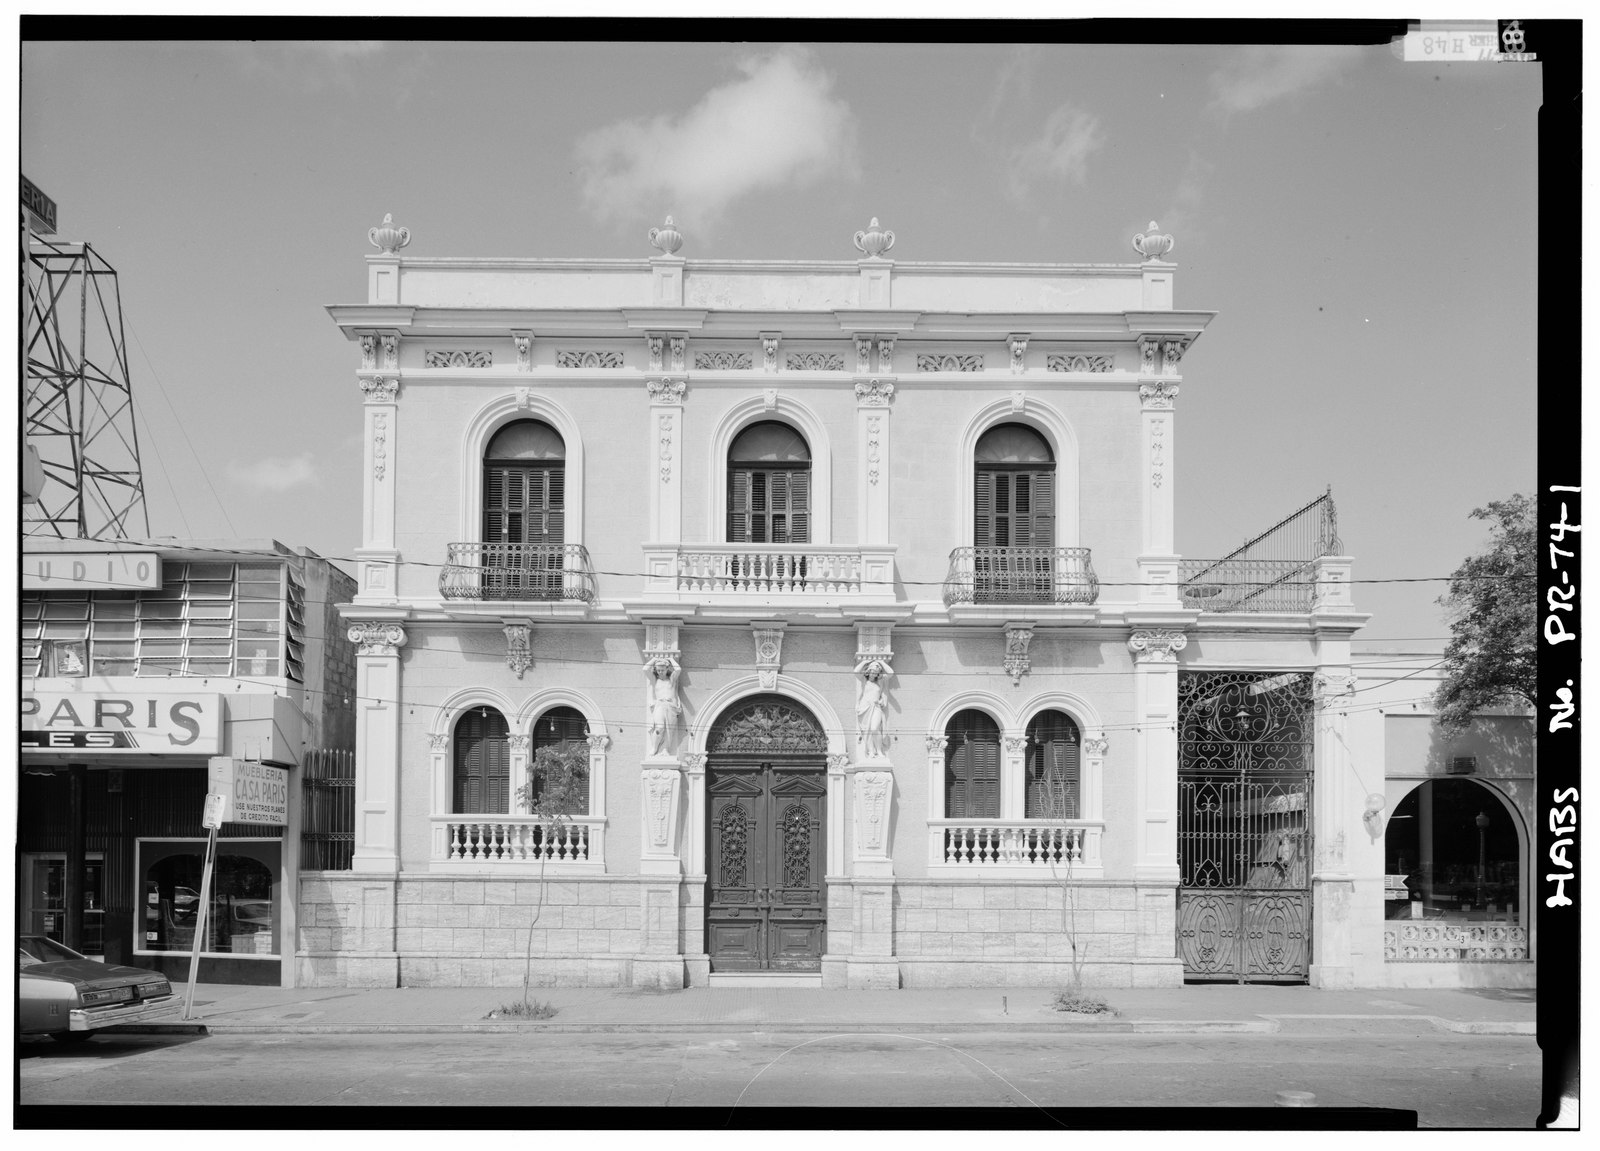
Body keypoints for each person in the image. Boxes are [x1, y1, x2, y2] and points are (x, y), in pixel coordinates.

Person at [643, 656, 681, 756]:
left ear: (667, 669)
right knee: (659, 727)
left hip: (671, 707)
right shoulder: (655, 680)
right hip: (659, 705)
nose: (660, 672)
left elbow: (678, 669)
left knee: (669, 730)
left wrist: (671, 659)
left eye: (662, 670)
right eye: (658, 670)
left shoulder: (672, 679)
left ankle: (665, 749)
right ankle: (655, 748)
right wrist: (654, 659)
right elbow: (645, 669)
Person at [854, 658, 891, 759]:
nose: (874, 675)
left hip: (876, 707)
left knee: (875, 729)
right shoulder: (864, 680)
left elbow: (891, 673)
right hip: (865, 707)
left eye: (876, 673)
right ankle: (871, 751)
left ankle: (879, 751)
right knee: (867, 731)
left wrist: (882, 663)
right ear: (868, 671)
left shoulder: (880, 682)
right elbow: (856, 671)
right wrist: (864, 662)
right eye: (872, 672)